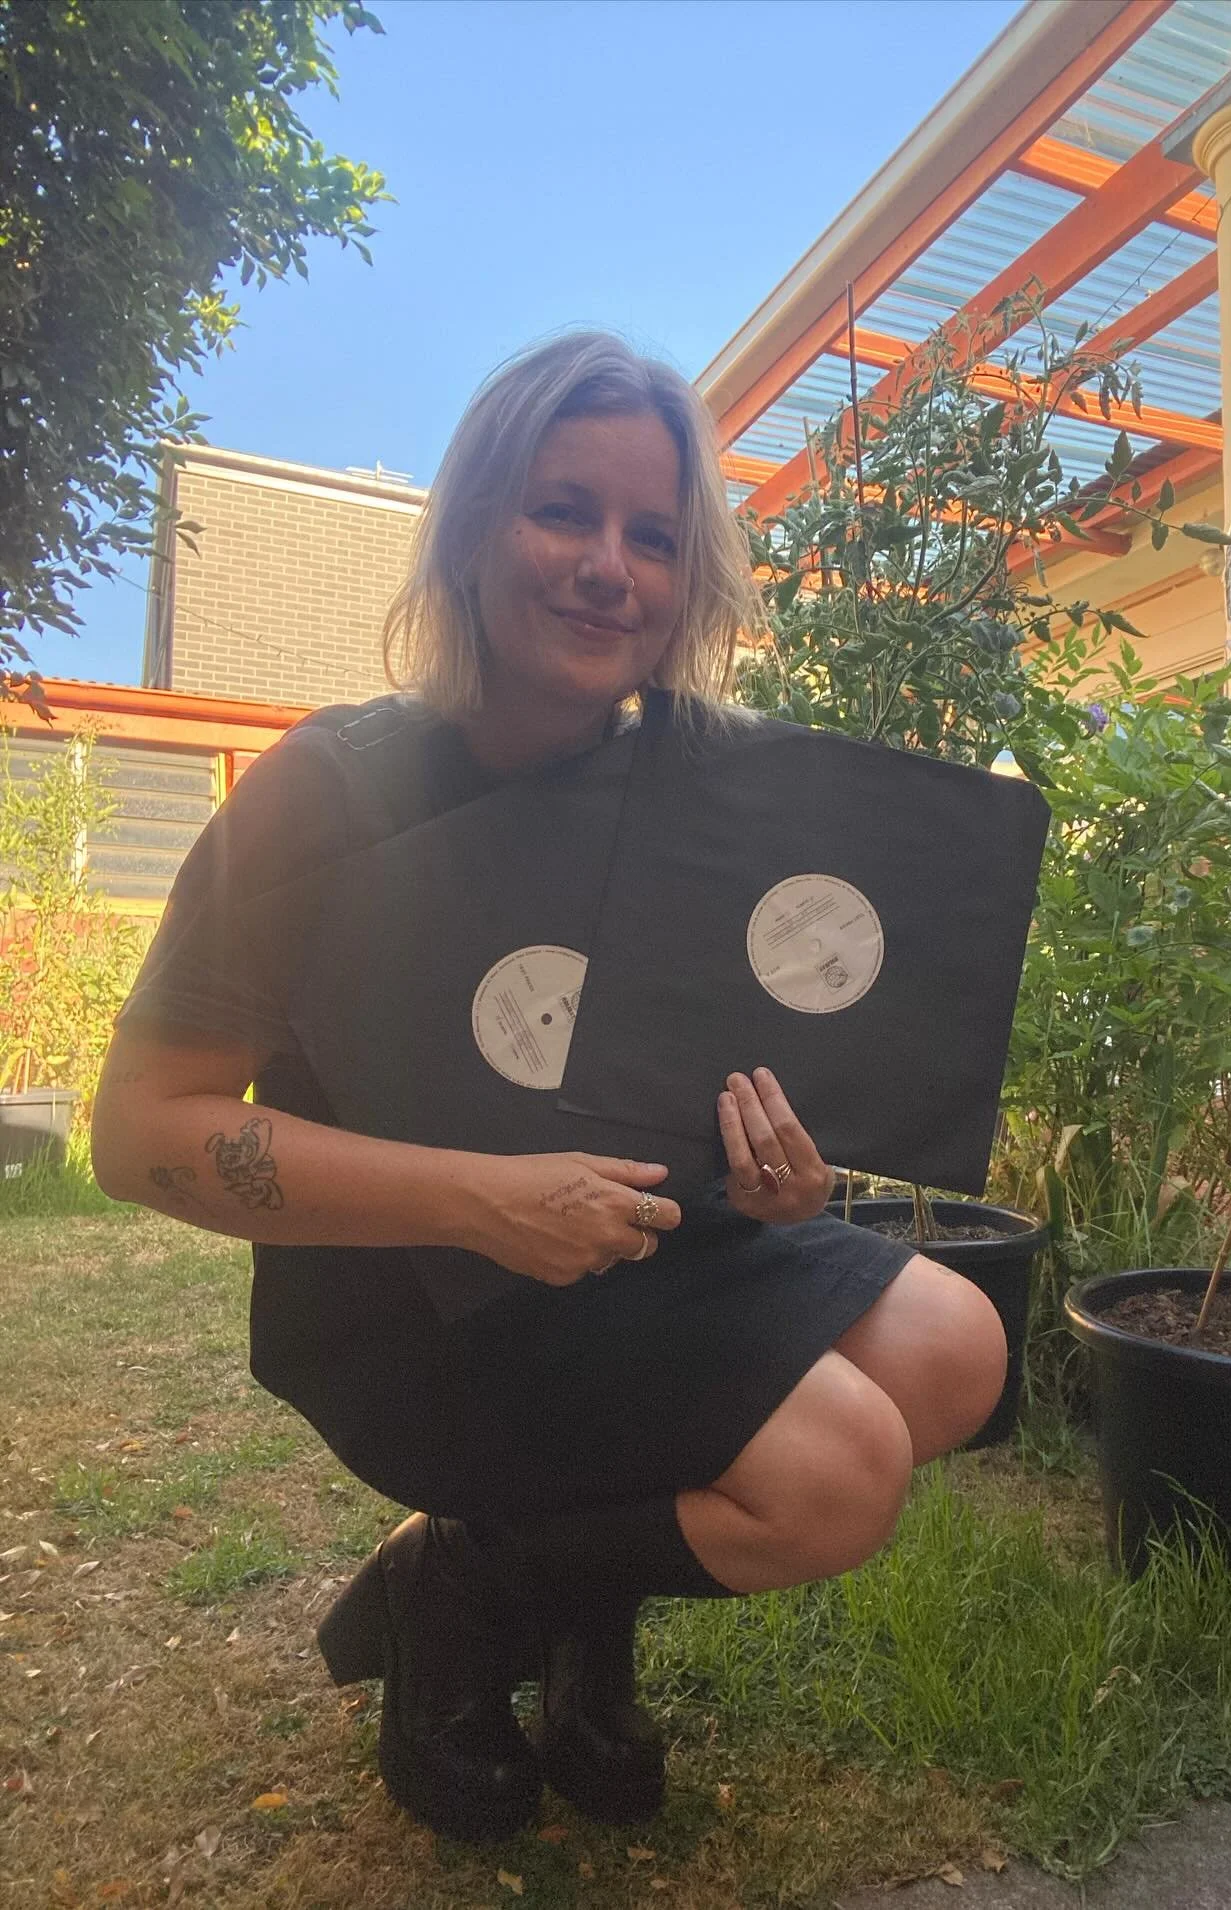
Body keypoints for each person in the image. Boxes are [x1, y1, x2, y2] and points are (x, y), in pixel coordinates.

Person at [91, 332, 1008, 1844]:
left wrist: (787, 1170)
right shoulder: (331, 789)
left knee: (961, 1345)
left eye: (654, 535)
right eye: (562, 510)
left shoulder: (693, 792)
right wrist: (479, 1201)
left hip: (647, 1239)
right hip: (424, 1293)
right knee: (837, 1477)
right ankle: (469, 1596)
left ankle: (546, 1582)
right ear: (472, 529)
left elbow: (722, 1071)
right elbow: (138, 1137)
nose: (608, 567)